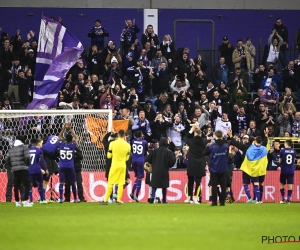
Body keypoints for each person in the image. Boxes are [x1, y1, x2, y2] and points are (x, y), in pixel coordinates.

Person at [100, 129, 131, 205]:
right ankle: (118, 200)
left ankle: (105, 200)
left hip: (114, 165)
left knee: (111, 183)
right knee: (121, 183)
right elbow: (127, 158)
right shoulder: (127, 145)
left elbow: (109, 156)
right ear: (124, 135)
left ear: (117, 135)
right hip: (123, 166)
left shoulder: (112, 144)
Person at [145, 137, 175, 204]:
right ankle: (164, 200)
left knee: (154, 184)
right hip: (164, 170)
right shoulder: (168, 152)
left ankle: (152, 196)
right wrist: (169, 165)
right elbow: (173, 161)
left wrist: (150, 165)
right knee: (164, 186)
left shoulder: (154, 151)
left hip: (155, 170)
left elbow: (148, 158)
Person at [5, 135, 32, 207]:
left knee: (16, 186)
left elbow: (6, 159)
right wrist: (27, 164)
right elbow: (27, 157)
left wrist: (11, 167)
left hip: (15, 169)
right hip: (23, 168)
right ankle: (25, 201)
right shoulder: (24, 148)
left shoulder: (11, 149)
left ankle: (17, 202)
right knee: (26, 184)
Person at [204, 130, 229, 206]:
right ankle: (222, 202)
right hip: (223, 167)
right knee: (223, 186)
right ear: (221, 136)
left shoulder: (211, 146)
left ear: (215, 136)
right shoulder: (226, 145)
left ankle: (214, 202)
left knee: (214, 185)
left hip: (214, 168)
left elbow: (204, 153)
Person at [240, 136, 268, 204]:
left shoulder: (250, 149)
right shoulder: (264, 149)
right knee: (261, 184)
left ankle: (252, 199)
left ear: (255, 141)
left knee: (254, 184)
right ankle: (260, 200)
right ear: (261, 142)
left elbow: (248, 157)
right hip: (261, 169)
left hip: (252, 169)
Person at [183, 125, 206, 204]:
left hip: (192, 163)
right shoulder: (204, 141)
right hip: (200, 163)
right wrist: (200, 131)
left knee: (190, 181)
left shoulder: (191, 141)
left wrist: (191, 130)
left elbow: (185, 138)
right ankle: (196, 198)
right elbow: (205, 137)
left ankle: (189, 198)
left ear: (194, 134)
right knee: (198, 182)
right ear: (200, 134)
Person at [58, 122, 79, 203]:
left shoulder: (62, 144)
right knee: (73, 183)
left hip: (62, 166)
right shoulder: (72, 145)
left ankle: (60, 198)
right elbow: (76, 138)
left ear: (65, 139)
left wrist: (64, 128)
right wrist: (70, 128)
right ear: (71, 139)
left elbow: (59, 136)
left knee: (62, 182)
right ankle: (75, 199)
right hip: (70, 166)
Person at [130, 130, 148, 202]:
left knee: (137, 177)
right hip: (140, 161)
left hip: (134, 160)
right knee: (140, 178)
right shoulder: (144, 142)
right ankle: (135, 194)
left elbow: (132, 150)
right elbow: (146, 150)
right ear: (141, 135)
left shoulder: (133, 141)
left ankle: (133, 193)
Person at [28, 138, 48, 204]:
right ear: (37, 143)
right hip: (37, 169)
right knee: (41, 184)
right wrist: (44, 169)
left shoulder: (28, 150)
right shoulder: (39, 150)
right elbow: (41, 161)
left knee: (30, 185)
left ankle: (31, 201)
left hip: (29, 169)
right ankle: (42, 200)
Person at [278, 140, 296, 204]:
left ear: (286, 144)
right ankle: (288, 199)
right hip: (291, 170)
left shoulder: (282, 151)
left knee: (282, 183)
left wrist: (279, 164)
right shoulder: (294, 151)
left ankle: (283, 199)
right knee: (290, 184)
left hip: (284, 169)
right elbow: (293, 160)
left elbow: (280, 160)